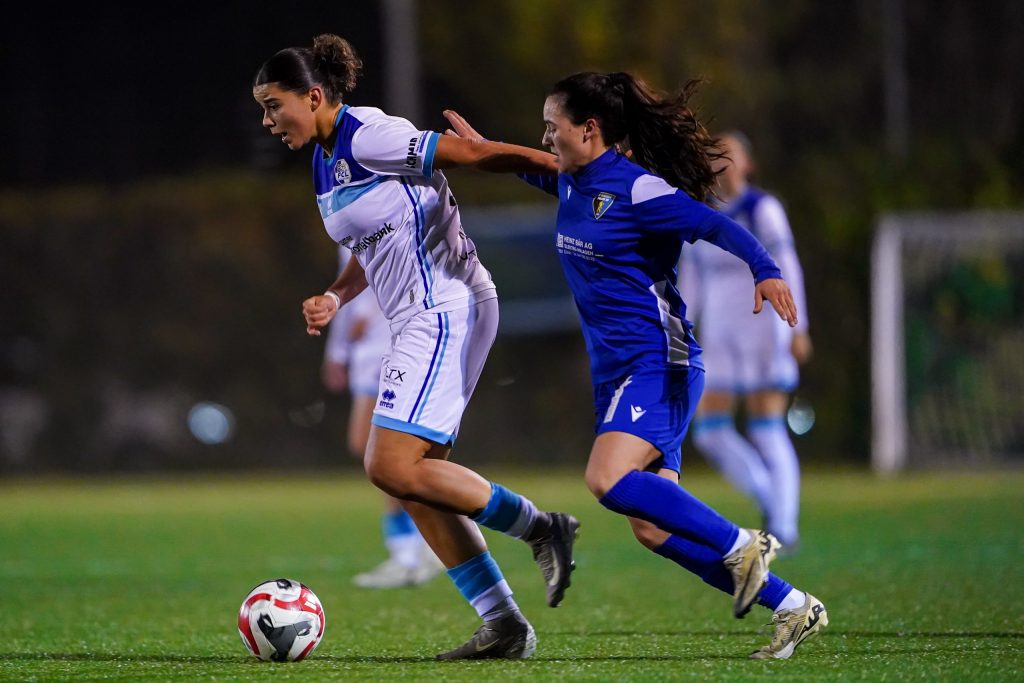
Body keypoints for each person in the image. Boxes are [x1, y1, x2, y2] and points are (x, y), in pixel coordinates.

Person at [442, 71, 828, 660]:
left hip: (660, 362)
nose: (545, 137)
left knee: (606, 478)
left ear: (589, 129)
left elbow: (715, 223)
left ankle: (743, 543)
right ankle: (793, 606)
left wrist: (766, 269)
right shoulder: (572, 181)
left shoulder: (638, 189)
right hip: (617, 373)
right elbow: (525, 163)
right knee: (652, 528)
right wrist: (479, 149)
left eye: (552, 126)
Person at [252, 34, 579, 661]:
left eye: (273, 106)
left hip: (446, 307)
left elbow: (472, 155)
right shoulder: (324, 160)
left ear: (313, 96)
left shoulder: (368, 136)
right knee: (417, 483)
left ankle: (542, 527)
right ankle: (505, 625)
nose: (268, 122)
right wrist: (337, 296)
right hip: (417, 318)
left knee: (389, 466)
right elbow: (371, 243)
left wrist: (571, 172)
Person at [679, 131, 811, 550]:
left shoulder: (762, 209)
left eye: (730, 153)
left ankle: (784, 527)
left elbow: (787, 265)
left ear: (748, 165)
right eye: (714, 154)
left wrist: (798, 327)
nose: (721, 160)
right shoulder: (698, 210)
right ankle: (771, 500)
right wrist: (683, 328)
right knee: (709, 431)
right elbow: (691, 277)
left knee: (766, 425)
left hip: (763, 325)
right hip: (719, 329)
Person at [322, 244, 445, 588]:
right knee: (373, 450)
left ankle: (418, 546)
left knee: (383, 452)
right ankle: (416, 546)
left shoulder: (382, 215)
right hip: (368, 348)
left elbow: (402, 265)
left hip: (394, 339)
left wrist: (369, 312)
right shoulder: (341, 222)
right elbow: (345, 286)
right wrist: (337, 351)